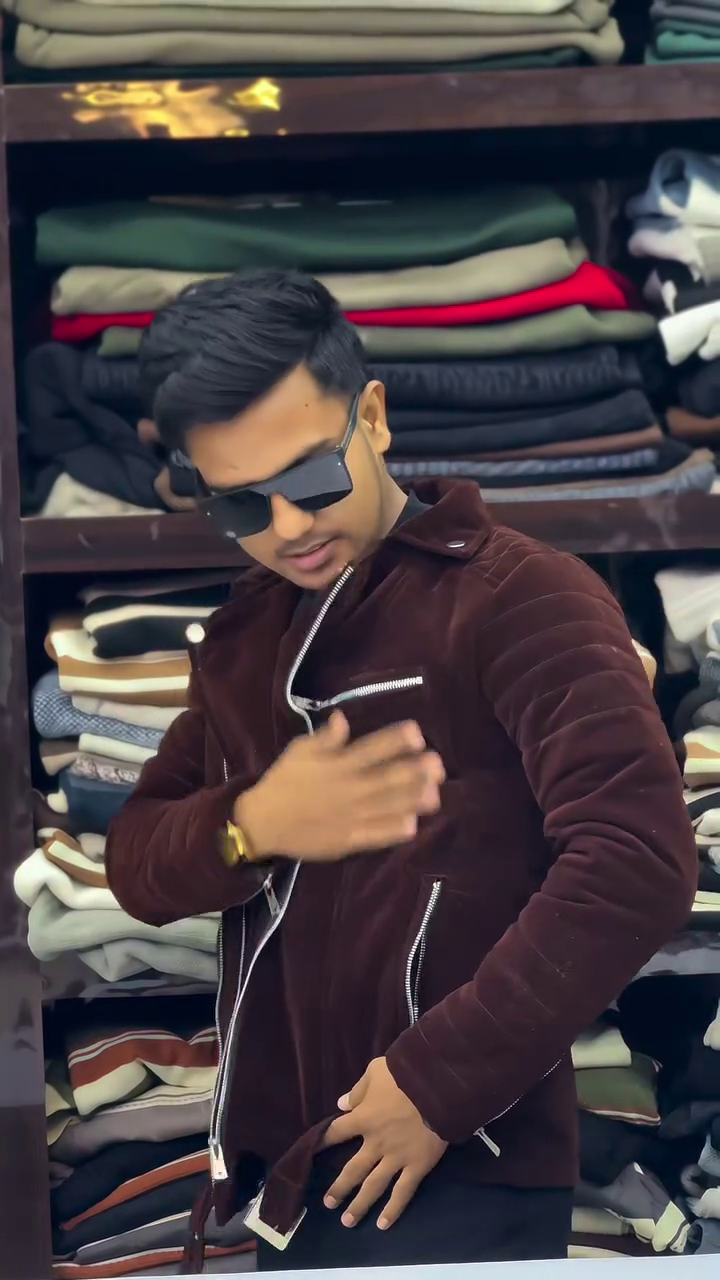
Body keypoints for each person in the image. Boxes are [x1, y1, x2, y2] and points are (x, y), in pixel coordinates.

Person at [106, 268, 697, 1270]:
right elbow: (134, 863)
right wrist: (254, 825)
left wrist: (437, 1083)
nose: (288, 527)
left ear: (372, 417)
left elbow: (637, 860)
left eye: (309, 479)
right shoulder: (248, 637)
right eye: (241, 504)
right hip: (286, 1176)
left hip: (460, 1162)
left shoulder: (521, 595)